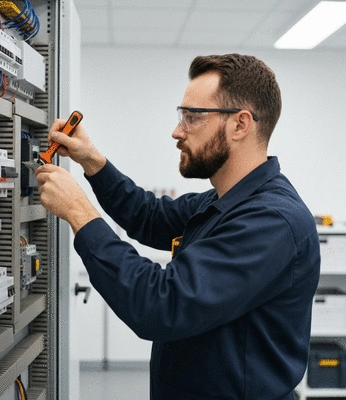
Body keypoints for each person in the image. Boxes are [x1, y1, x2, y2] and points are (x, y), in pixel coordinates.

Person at [35, 53, 320, 400]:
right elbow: (148, 215)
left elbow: (161, 305)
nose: (177, 130)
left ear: (240, 124)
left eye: (192, 117)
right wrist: (92, 161)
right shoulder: (222, 202)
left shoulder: (272, 221)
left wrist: (80, 212)